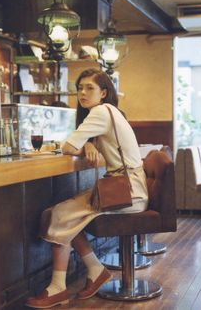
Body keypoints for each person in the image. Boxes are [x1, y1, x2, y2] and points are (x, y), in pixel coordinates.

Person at [25, 68, 149, 308]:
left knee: (60, 215)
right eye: (79, 88)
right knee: (57, 215)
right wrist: (90, 143)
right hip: (129, 188)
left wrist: (83, 145)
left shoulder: (100, 111)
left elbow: (69, 147)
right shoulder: (109, 111)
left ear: (103, 93)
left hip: (126, 193)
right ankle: (95, 270)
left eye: (89, 88)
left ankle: (57, 289)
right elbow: (85, 142)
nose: (82, 92)